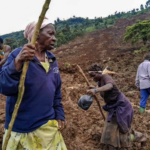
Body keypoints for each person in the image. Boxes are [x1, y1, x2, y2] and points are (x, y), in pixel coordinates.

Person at [1, 20, 67, 150]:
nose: (54, 38)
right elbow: (4, 86)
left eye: (54, 35)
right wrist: (18, 61)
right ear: (36, 34)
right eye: (50, 34)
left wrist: (59, 113)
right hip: (22, 129)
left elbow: (56, 90)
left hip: (47, 126)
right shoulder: (17, 55)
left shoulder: (52, 59)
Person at [87, 64, 147, 150]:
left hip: (122, 107)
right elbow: (102, 88)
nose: (92, 78)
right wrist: (95, 88)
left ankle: (142, 137)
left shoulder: (106, 77)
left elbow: (109, 86)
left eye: (93, 76)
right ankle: (113, 146)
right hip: (113, 108)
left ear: (99, 73)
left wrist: (96, 90)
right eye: (91, 77)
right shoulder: (99, 81)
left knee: (123, 133)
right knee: (109, 132)